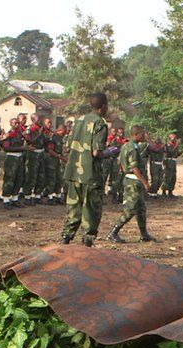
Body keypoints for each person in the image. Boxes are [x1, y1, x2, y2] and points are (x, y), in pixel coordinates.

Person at [60, 93, 114, 247]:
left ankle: (65, 240)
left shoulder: (79, 120)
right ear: (104, 106)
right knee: (91, 208)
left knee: (73, 207)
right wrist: (110, 152)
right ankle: (87, 243)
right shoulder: (100, 123)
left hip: (74, 171)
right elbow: (96, 152)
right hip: (90, 173)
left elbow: (68, 145)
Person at [107, 125, 156, 243]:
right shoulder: (133, 148)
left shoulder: (126, 146)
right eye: (142, 134)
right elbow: (134, 167)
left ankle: (144, 234)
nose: (144, 136)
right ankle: (113, 233)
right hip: (134, 181)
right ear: (136, 134)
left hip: (131, 179)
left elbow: (120, 161)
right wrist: (145, 183)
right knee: (130, 209)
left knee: (141, 209)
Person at [1, 118, 30, 210]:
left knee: (19, 178)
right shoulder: (9, 135)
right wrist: (22, 148)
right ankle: (6, 199)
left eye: (18, 123)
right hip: (11, 158)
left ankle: (15, 198)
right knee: (9, 179)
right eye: (15, 123)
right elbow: (6, 148)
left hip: (19, 158)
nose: (17, 125)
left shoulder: (20, 134)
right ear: (11, 124)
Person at [23, 114, 47, 205]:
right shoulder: (30, 129)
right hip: (33, 154)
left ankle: (37, 196)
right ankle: (27, 196)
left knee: (41, 176)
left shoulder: (41, 128)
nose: (40, 120)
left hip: (41, 153)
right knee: (31, 175)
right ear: (33, 119)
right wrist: (39, 134)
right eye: (38, 119)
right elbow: (29, 141)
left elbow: (45, 141)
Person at [45, 124, 68, 205]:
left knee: (59, 179)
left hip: (57, 160)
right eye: (64, 132)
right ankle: (50, 197)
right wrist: (60, 157)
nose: (65, 134)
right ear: (60, 130)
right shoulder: (53, 137)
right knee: (52, 179)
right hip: (51, 160)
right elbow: (50, 150)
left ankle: (58, 196)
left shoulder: (60, 138)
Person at [162, 132, 183, 198]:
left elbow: (177, 154)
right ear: (170, 138)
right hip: (168, 161)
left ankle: (170, 192)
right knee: (167, 176)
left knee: (173, 177)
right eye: (173, 138)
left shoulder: (175, 145)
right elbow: (170, 152)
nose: (175, 139)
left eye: (175, 138)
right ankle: (164, 192)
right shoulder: (167, 145)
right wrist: (176, 145)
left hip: (173, 161)